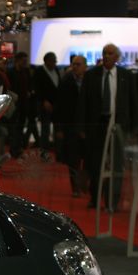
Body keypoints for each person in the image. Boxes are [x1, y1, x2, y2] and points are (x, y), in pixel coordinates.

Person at [77, 43, 138, 209]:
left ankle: (113, 201)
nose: (106, 56)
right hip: (96, 126)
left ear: (117, 57)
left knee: (117, 164)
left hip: (118, 125)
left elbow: (133, 102)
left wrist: (133, 128)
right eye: (104, 53)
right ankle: (95, 198)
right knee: (95, 164)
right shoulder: (91, 76)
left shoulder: (126, 76)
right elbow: (83, 103)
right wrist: (82, 128)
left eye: (110, 53)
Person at [54, 55, 88, 196]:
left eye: (78, 64)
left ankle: (85, 185)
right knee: (73, 159)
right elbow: (60, 106)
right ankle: (75, 188)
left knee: (87, 157)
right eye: (73, 64)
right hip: (70, 126)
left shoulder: (90, 81)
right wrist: (59, 128)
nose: (75, 67)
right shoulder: (66, 81)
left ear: (85, 66)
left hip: (87, 126)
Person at [7, 52, 38, 158]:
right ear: (18, 60)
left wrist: (30, 91)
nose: (25, 63)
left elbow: (30, 84)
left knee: (20, 127)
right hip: (14, 104)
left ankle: (18, 147)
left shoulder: (26, 71)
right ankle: (14, 149)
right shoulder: (11, 72)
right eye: (23, 61)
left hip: (24, 104)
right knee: (14, 128)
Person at [34, 51, 61, 155]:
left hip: (56, 104)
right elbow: (37, 88)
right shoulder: (39, 71)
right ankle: (44, 151)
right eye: (53, 61)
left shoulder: (56, 70)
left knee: (57, 128)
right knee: (45, 129)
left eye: (55, 61)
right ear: (46, 61)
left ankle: (57, 150)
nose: (55, 63)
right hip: (45, 104)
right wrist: (44, 100)